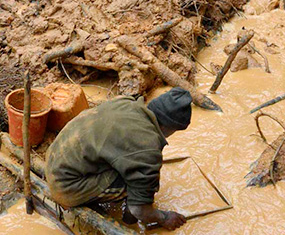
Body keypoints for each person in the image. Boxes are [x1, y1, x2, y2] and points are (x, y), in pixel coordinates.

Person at [46, 88, 192, 231]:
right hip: (65, 187)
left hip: (53, 159)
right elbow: (139, 210)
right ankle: (128, 221)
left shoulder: (125, 102)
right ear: (173, 128)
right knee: (145, 183)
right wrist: (164, 217)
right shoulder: (148, 147)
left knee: (136, 172)